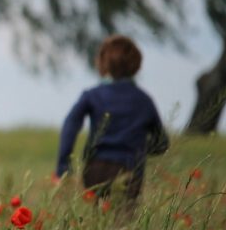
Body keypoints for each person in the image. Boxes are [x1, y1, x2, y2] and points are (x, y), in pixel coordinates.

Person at [55, 34, 169, 204]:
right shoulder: (144, 100)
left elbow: (70, 125)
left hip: (96, 169)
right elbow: (162, 143)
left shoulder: (92, 96)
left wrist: (63, 166)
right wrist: (138, 150)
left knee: (98, 220)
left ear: (102, 63)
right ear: (136, 65)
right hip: (130, 170)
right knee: (123, 223)